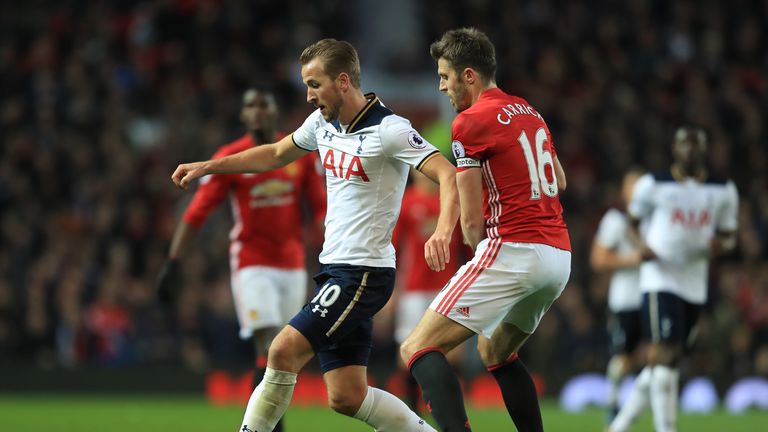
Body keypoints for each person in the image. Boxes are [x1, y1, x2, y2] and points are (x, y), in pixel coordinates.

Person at [171, 38, 459, 432]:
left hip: (363, 273)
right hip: (334, 271)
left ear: (343, 81)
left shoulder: (390, 130)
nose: (308, 95)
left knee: (282, 349)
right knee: (346, 396)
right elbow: (274, 154)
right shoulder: (321, 124)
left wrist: (443, 230)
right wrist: (210, 166)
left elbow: (446, 173)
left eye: (314, 84)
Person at [400, 28, 571, 432]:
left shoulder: (469, 122)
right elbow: (559, 181)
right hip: (559, 256)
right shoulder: (530, 111)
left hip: (513, 249)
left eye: (445, 77)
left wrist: (482, 255)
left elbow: (473, 221)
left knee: (417, 346)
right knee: (494, 350)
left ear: (469, 76)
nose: (442, 86)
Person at [157, 88, 326, 430]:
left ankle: (268, 423)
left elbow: (320, 206)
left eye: (265, 105)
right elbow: (197, 212)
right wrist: (173, 261)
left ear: (275, 111)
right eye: (251, 105)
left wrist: (328, 249)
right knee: (268, 346)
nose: (259, 111)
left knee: (283, 357)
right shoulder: (231, 157)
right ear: (243, 115)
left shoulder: (299, 155)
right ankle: (270, 428)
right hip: (252, 264)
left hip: (292, 265)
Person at [609, 125, 739, 432]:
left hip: (694, 281)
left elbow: (730, 236)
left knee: (668, 360)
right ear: (674, 148)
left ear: (705, 150)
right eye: (684, 144)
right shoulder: (653, 184)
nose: (690, 150)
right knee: (664, 352)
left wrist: (721, 246)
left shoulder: (723, 189)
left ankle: (619, 426)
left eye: (696, 145)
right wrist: (643, 248)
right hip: (660, 277)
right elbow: (632, 222)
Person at [391, 169, 468, 411]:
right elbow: (395, 248)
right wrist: (392, 289)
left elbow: (465, 247)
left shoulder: (452, 202)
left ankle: (447, 408)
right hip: (413, 289)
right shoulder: (406, 203)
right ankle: (412, 410)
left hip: (447, 287)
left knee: (453, 353)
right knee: (407, 350)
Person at [589, 169, 644, 423]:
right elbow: (598, 259)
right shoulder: (615, 220)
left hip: (654, 295)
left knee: (655, 353)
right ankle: (612, 402)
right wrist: (635, 259)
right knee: (624, 356)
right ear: (624, 191)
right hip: (626, 299)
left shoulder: (655, 219)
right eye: (632, 186)